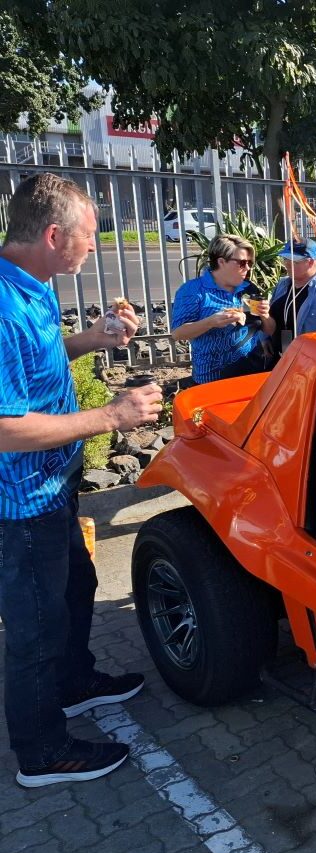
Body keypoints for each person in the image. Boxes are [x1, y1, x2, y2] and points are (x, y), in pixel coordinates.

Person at [0, 173, 163, 788]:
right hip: (23, 500)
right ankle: (41, 754)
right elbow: (4, 427)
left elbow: (36, 360)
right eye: (89, 236)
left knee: (77, 585)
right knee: (36, 623)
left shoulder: (33, 285)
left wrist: (90, 340)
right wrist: (112, 416)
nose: (94, 247)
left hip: (55, 481)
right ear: (51, 234)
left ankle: (71, 684)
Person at [170, 235, 274, 383]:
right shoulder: (193, 290)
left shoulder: (249, 288)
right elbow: (177, 333)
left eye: (249, 263)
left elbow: (269, 330)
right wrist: (211, 322)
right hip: (213, 377)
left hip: (254, 373)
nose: (248, 268)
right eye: (242, 263)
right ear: (221, 261)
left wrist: (265, 315)